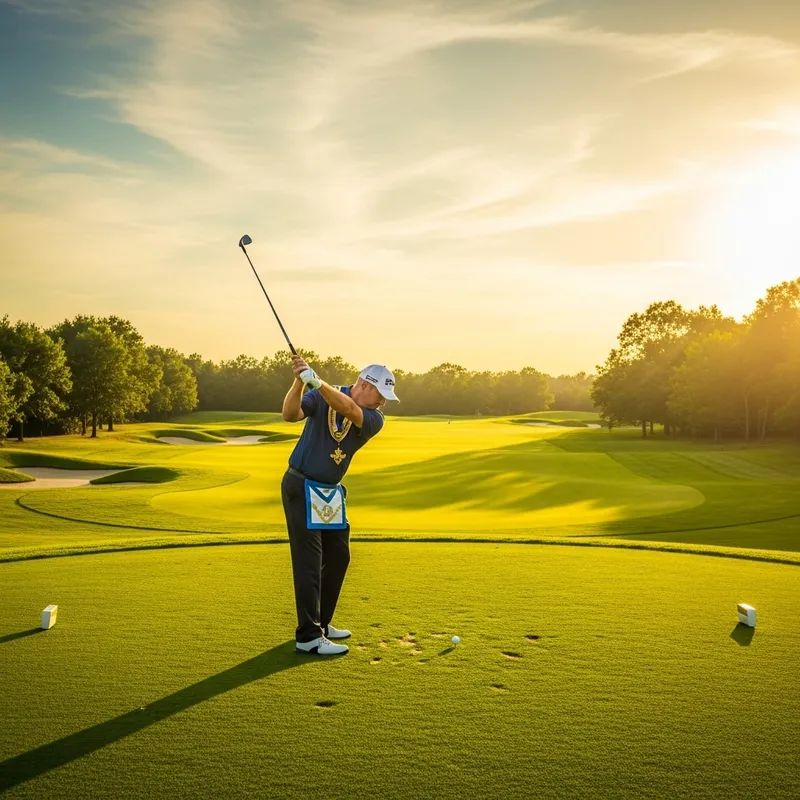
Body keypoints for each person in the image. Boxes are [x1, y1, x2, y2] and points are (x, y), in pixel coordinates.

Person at [281, 355, 399, 655]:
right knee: (309, 562)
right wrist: (299, 382)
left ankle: (320, 622)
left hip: (330, 492)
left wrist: (317, 382)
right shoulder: (320, 394)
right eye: (381, 394)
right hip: (301, 485)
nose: (383, 402)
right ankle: (308, 636)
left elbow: (348, 409)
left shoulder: (374, 418)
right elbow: (290, 415)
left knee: (338, 556)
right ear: (364, 385)